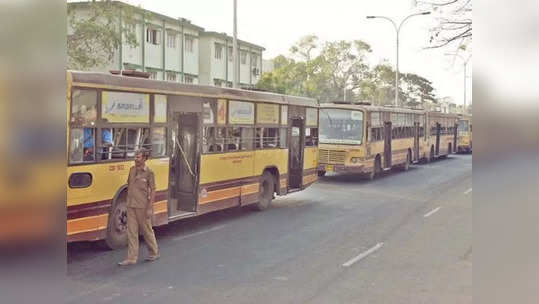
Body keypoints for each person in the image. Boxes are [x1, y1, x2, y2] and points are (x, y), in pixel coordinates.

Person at [118, 149, 160, 266]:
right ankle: (131, 258)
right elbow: (129, 185)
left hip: (143, 206)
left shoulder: (149, 173)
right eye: (135, 157)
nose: (136, 159)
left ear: (145, 159)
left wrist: (150, 208)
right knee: (131, 232)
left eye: (139, 157)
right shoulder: (131, 170)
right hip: (131, 205)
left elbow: (153, 190)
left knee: (147, 230)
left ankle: (154, 252)